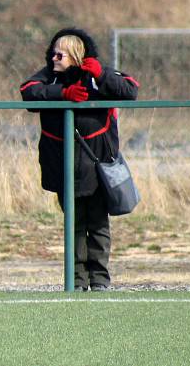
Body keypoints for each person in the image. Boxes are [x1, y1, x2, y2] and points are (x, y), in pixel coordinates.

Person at [20, 28, 140, 292]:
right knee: (74, 224)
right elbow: (27, 93)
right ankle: (76, 280)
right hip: (63, 166)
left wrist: (100, 74)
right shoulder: (48, 78)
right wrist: (62, 95)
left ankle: (99, 280)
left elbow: (131, 90)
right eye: (52, 53)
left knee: (98, 224)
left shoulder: (98, 75)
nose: (54, 58)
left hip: (98, 166)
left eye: (59, 54)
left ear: (75, 54)